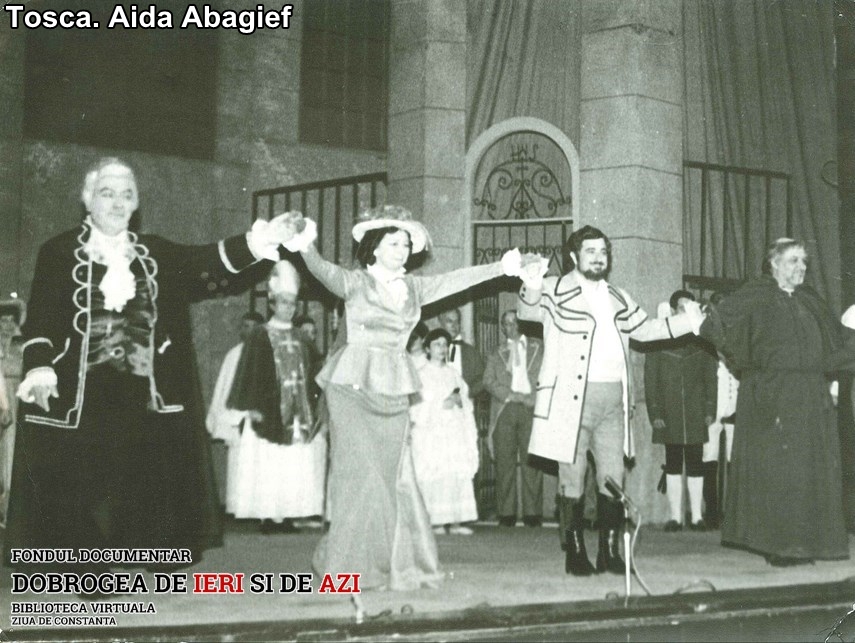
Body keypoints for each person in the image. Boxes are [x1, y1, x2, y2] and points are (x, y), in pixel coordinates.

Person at [4, 157, 295, 573]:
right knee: (83, 482)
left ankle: (142, 551)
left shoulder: (154, 253)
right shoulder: (59, 251)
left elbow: (206, 260)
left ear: (136, 203)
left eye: (127, 195)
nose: (117, 203)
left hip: (141, 388)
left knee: (139, 476)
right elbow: (42, 319)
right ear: (88, 199)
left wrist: (261, 240)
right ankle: (86, 568)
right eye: (107, 193)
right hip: (81, 388)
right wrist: (39, 368)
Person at [279, 205, 527, 590]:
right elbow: (321, 269)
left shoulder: (414, 288)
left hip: (394, 387)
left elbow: (456, 279)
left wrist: (501, 268)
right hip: (352, 387)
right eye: (394, 243)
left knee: (394, 477)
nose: (402, 250)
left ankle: (392, 565)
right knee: (359, 476)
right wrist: (304, 245)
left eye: (407, 244)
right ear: (375, 246)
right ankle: (348, 569)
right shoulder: (354, 282)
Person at [518, 225, 704, 577]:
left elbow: (647, 330)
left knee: (612, 476)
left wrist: (690, 320)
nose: (598, 257)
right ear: (574, 255)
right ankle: (575, 552)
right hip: (570, 400)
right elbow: (528, 314)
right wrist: (530, 281)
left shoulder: (619, 296)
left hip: (613, 400)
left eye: (603, 251)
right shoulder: (554, 288)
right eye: (590, 251)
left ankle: (609, 552)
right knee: (572, 477)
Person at [700, 238, 850, 566]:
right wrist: (747, 363)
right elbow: (714, 325)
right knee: (780, 472)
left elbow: (837, 341)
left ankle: (805, 543)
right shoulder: (756, 295)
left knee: (807, 471)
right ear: (774, 264)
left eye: (804, 262)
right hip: (771, 394)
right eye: (794, 260)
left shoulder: (810, 299)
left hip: (811, 396)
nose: (801, 267)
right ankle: (780, 546)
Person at [224, 260, 327, 533]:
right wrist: (249, 407)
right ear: (272, 304)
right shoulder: (259, 335)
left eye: (292, 304)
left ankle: (289, 514)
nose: (288, 308)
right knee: (268, 464)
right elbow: (248, 373)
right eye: (283, 303)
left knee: (292, 465)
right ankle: (268, 516)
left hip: (298, 413)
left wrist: (316, 402)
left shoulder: (302, 337)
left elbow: (316, 371)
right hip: (268, 409)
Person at [644, 290, 717, 532]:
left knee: (696, 463)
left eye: (690, 307)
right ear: (674, 310)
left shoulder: (703, 340)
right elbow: (651, 379)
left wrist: (709, 408)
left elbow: (711, 377)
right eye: (682, 308)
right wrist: (656, 413)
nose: (687, 312)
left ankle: (696, 517)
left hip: (696, 412)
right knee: (673, 462)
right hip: (669, 413)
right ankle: (675, 517)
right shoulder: (659, 339)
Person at [410, 328, 480, 536]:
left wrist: (460, 401)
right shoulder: (421, 375)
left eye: (444, 345)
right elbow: (416, 407)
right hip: (433, 434)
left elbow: (465, 399)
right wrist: (440, 404)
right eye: (437, 345)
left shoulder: (453, 374)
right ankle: (436, 522)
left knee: (455, 471)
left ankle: (456, 521)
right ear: (427, 349)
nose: (442, 349)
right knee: (437, 473)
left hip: (454, 432)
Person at [482, 310, 543, 528]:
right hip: (505, 408)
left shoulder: (539, 347)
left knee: (532, 462)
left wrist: (534, 397)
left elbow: (549, 375)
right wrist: (509, 394)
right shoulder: (496, 352)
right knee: (504, 462)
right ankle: (506, 513)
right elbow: (488, 380)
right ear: (502, 328)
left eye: (515, 322)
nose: (511, 326)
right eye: (506, 323)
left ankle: (533, 514)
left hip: (531, 408)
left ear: (521, 323)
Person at [205, 311, 265, 507]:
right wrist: (234, 416)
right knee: (241, 469)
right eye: (245, 326)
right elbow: (224, 389)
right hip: (240, 420)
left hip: (263, 420)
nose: (249, 331)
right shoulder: (234, 355)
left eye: (254, 327)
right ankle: (242, 510)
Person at [702, 291, 739, 529]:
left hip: (735, 407)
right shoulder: (707, 338)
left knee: (734, 459)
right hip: (713, 409)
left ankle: (734, 513)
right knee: (710, 458)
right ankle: (712, 512)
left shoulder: (737, 335)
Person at [0, 298, 24, 521]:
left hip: (17, 397)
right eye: (2, 319)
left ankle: (7, 508)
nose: (6, 324)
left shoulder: (22, 343)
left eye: (10, 319)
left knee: (11, 451)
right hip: (3, 398)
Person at [439, 308, 485, 397]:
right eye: (449, 321)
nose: (454, 325)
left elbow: (481, 379)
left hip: (465, 401)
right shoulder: (433, 351)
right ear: (441, 324)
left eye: (457, 321)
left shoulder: (471, 352)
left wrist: (465, 394)